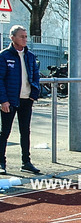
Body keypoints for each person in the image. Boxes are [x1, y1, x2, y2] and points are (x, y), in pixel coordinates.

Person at [0, 25, 41, 174]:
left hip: (26, 100)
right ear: (12, 38)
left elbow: (36, 75)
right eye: (21, 36)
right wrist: (3, 100)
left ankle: (26, 162)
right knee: (5, 131)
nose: (25, 39)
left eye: (25, 36)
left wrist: (33, 95)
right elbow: (0, 80)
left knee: (25, 131)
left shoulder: (30, 56)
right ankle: (1, 162)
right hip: (10, 101)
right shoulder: (4, 56)